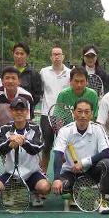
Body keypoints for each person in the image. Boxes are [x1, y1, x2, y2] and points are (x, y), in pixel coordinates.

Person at [52, 99, 109, 214]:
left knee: (107, 163)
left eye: (86, 112)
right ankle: (73, 191)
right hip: (71, 172)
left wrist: (83, 163)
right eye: (79, 112)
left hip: (92, 170)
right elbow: (58, 155)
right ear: (74, 113)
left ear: (91, 113)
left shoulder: (98, 129)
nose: (83, 115)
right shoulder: (65, 131)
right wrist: (56, 179)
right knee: (61, 187)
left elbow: (106, 152)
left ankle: (102, 200)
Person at [0, 97, 50, 207]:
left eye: (22, 110)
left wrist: (23, 142)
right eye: (16, 110)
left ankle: (34, 191)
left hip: (32, 173)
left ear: (27, 112)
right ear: (11, 112)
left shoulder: (36, 128)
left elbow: (37, 147)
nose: (19, 112)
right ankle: (9, 190)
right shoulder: (4, 129)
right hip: (10, 174)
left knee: (45, 188)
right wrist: (10, 142)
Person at [39, 45, 71, 175]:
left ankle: (65, 175)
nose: (57, 56)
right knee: (46, 147)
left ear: (63, 56)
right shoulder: (43, 72)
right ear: (51, 57)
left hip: (64, 116)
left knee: (65, 148)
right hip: (46, 115)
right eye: (54, 54)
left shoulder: (70, 73)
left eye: (59, 54)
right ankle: (44, 174)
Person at [0, 66, 34, 150]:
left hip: (20, 129)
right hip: (0, 128)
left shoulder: (27, 96)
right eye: (7, 78)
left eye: (13, 78)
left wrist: (24, 136)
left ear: (19, 81)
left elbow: (28, 119)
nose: (10, 81)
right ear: (2, 81)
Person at [12, 42, 43, 106]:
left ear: (27, 56)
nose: (19, 56)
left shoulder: (34, 74)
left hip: (27, 112)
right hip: (8, 112)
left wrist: (25, 106)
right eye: (16, 53)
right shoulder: (8, 72)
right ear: (13, 54)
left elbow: (36, 96)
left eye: (22, 54)